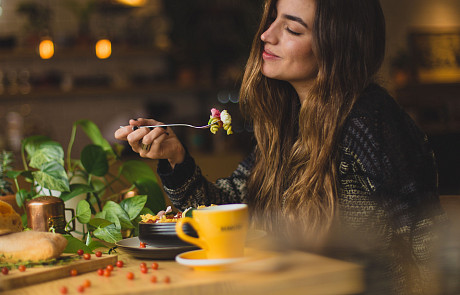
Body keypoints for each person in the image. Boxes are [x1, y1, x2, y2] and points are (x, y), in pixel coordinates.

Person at [115, 0, 446, 293]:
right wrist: (177, 158)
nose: (266, 35)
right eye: (271, 18)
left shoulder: (369, 119)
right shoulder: (289, 124)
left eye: (291, 28)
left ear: (337, 46)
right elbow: (229, 213)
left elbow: (424, 240)